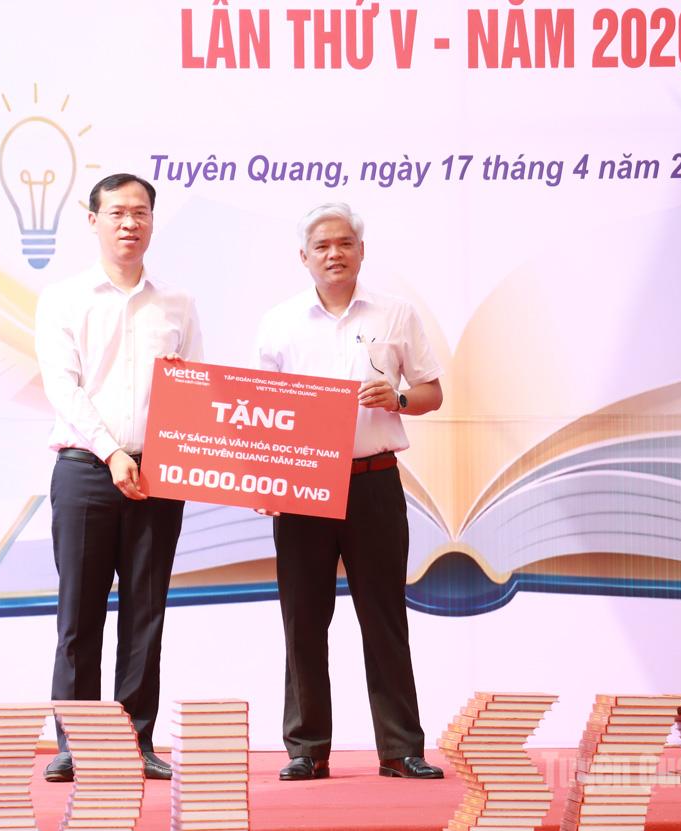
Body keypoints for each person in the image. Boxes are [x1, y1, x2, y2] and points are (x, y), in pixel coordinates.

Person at [256, 202, 445, 781]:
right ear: (304, 257)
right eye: (322, 246)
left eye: (344, 243)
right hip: (302, 489)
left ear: (362, 251)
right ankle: (306, 749)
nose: (334, 254)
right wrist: (266, 479)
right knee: (303, 620)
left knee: (384, 616)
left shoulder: (396, 313)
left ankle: (401, 748)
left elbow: (432, 392)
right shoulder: (279, 322)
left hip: (373, 482)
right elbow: (261, 413)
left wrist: (400, 398)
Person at [34, 173, 202, 782]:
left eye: (140, 212)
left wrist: (179, 453)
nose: (130, 223)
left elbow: (195, 387)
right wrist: (111, 453)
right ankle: (77, 744)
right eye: (117, 212)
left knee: (145, 614)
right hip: (86, 471)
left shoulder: (177, 303)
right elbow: (63, 387)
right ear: (93, 220)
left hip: (158, 475)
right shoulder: (63, 298)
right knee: (79, 616)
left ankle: (136, 741)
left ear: (153, 221)